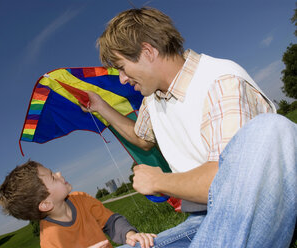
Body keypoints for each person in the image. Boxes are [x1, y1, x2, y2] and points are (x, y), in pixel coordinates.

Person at [82, 7, 297, 247]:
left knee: (269, 129)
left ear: (147, 52)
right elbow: (141, 137)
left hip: (250, 211)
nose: (122, 78)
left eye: (121, 67)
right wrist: (100, 107)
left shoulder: (220, 81)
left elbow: (226, 184)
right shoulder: (152, 98)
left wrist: (158, 181)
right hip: (202, 218)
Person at [0, 160, 157, 248]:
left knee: (148, 243)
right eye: (52, 177)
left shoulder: (80, 199)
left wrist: (130, 235)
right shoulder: (50, 240)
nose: (58, 173)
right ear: (45, 204)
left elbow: (111, 222)